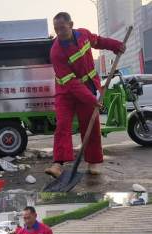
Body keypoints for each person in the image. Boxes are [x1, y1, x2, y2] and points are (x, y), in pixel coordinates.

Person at [45, 12, 125, 178]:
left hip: (88, 85)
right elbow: (71, 83)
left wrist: (116, 45)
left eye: (62, 28)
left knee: (91, 125)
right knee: (63, 125)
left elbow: (99, 41)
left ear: (71, 24)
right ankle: (58, 164)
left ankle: (93, 161)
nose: (59, 32)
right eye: (56, 29)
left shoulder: (84, 35)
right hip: (66, 92)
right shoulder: (56, 52)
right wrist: (92, 99)